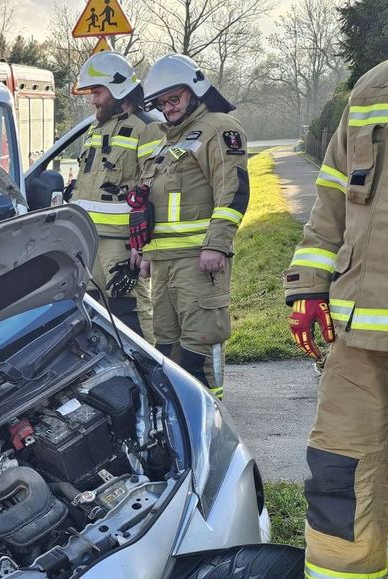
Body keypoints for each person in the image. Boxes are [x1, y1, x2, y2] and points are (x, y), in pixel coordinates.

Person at [262, 9, 388, 579]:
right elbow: (330, 200)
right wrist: (307, 286)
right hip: (359, 329)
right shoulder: (377, 86)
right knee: (339, 470)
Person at [129, 54, 249, 399]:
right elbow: (156, 203)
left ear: (194, 92)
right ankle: (181, 418)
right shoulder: (169, 140)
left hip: (199, 261)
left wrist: (217, 244)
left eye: (174, 98)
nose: (168, 108)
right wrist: (149, 252)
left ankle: (212, 416)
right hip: (165, 262)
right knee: (168, 347)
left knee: (201, 343)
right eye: (162, 102)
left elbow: (234, 189)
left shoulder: (218, 128)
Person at [70, 51, 163, 342]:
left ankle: (152, 377)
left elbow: (155, 188)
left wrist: (143, 245)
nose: (94, 100)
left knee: (130, 312)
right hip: (89, 241)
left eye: (98, 92)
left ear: (119, 87)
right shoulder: (96, 128)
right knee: (94, 314)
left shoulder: (148, 128)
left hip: (123, 245)